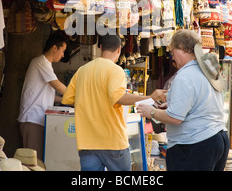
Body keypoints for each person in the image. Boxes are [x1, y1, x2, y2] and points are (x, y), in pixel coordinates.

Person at [61, 35, 166, 171]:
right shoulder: (115, 70)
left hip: (87, 143)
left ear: (100, 47)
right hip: (112, 142)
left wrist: (89, 101)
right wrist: (150, 97)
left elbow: (67, 99)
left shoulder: (82, 70)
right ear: (119, 49)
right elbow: (118, 98)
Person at [137, 29, 229, 171]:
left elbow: (175, 118)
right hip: (217, 139)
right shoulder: (205, 71)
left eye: (173, 52)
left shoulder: (185, 76)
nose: (171, 57)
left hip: (195, 144)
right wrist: (172, 105)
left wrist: (152, 112)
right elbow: (200, 103)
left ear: (184, 49)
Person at [17, 33, 68, 160]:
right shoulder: (41, 62)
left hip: (36, 120)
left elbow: (48, 95)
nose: (63, 55)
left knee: (37, 161)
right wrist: (80, 96)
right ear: (54, 48)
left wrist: (67, 100)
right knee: (32, 162)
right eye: (63, 51)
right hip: (32, 119)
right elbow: (58, 87)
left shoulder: (47, 66)